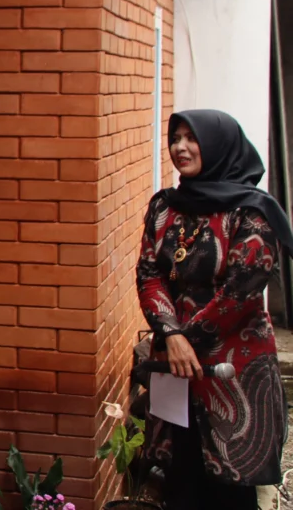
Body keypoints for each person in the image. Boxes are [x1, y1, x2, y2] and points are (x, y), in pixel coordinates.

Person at [135, 110, 291, 510]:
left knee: (230, 487)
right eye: (175, 137)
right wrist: (170, 335)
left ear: (219, 144)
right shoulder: (164, 206)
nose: (180, 147)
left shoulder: (252, 212)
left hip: (232, 364)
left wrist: (185, 340)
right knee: (179, 476)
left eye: (192, 138)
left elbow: (240, 292)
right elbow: (150, 273)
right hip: (175, 360)